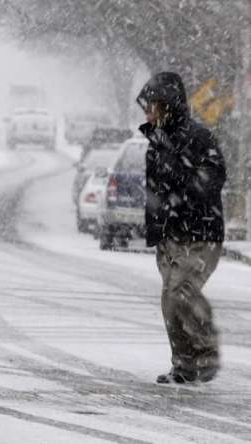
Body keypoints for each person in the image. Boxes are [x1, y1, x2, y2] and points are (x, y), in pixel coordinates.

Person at [137, 72, 226, 384]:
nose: (147, 112)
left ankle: (206, 351)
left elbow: (214, 177)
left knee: (181, 293)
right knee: (170, 302)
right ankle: (185, 365)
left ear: (168, 106)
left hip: (200, 233)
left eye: (152, 106)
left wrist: (184, 193)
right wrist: (155, 229)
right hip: (170, 236)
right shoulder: (155, 144)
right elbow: (152, 191)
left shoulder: (198, 138)